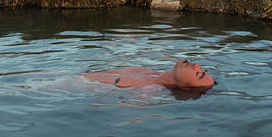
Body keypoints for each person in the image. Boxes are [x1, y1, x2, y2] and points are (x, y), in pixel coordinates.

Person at [84, 59, 216, 91]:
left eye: (198, 74)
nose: (196, 65)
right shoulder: (151, 72)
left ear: (185, 87)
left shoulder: (145, 93)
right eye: (201, 68)